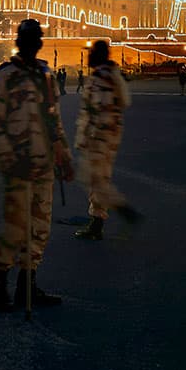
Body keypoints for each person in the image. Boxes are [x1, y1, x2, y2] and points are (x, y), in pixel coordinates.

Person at [0, 19, 74, 311]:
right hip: (18, 165)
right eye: (27, 38)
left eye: (36, 38)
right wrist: (7, 159)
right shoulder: (5, 76)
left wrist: (63, 155)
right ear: (19, 41)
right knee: (15, 227)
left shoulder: (46, 75)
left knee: (39, 227)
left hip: (44, 164)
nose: (32, 43)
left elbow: (54, 120)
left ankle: (27, 286)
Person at [73, 41, 139, 240]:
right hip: (113, 133)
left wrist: (84, 137)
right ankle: (97, 222)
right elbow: (125, 101)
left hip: (99, 135)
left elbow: (95, 109)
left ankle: (122, 208)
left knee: (91, 177)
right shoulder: (113, 75)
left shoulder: (99, 78)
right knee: (101, 177)